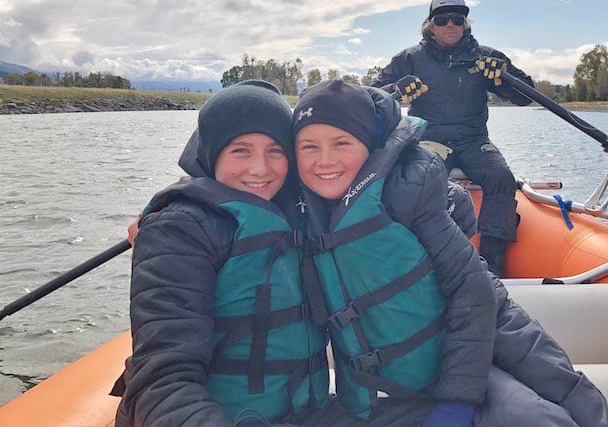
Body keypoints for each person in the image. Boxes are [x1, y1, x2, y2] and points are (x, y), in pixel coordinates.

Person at [292, 79, 608, 427]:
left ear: (369, 144)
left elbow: (472, 290)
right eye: (309, 147)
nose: (325, 160)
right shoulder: (302, 212)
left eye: (342, 143)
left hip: (493, 320)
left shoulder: (409, 191)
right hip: (432, 350)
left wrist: (457, 402)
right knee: (529, 412)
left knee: (557, 393)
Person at [116, 80, 448, 427]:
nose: (260, 169)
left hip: (307, 412)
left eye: (275, 151)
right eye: (241, 150)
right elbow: (163, 382)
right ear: (213, 153)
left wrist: (445, 200)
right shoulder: (179, 230)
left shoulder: (301, 205)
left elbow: (362, 137)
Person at [372, 0, 535, 275]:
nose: (450, 24)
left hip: (474, 140)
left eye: (458, 19)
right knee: (418, 181)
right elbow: (372, 98)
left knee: (501, 178)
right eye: (442, 19)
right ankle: (417, 260)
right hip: (429, 137)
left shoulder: (487, 59)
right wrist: (395, 90)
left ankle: (492, 265)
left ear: (465, 24)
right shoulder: (409, 59)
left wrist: (504, 77)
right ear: (430, 25)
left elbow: (526, 96)